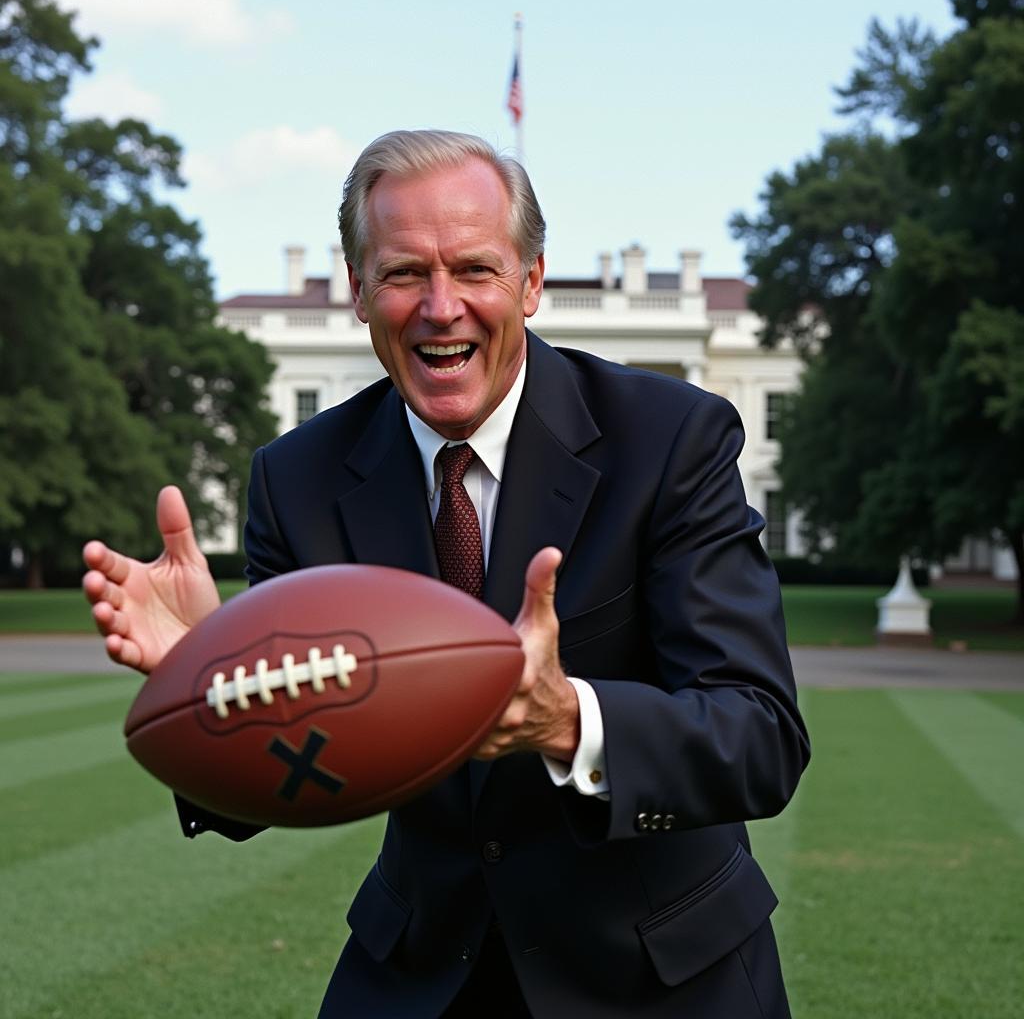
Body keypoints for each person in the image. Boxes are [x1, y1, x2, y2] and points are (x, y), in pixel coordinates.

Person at [83, 130, 810, 1018]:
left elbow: (760, 736)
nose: (441, 307)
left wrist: (565, 721)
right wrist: (213, 682)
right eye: (401, 274)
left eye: (474, 268)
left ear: (531, 282)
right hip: (422, 971)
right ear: (356, 290)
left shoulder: (670, 439)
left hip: (661, 973)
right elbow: (261, 792)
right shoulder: (299, 478)